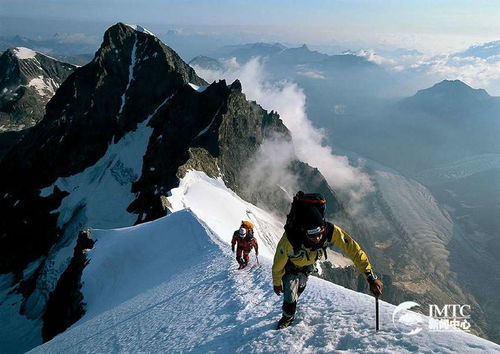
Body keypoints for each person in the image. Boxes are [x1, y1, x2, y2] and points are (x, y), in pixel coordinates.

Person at [272, 204, 384, 329]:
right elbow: (278, 265)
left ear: (323, 227)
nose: (317, 238)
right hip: (291, 267)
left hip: (308, 265)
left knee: (298, 289)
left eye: (319, 233)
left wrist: (370, 277)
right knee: (290, 296)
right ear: (304, 232)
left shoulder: (330, 231)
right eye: (312, 235)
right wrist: (277, 283)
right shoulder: (289, 240)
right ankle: (287, 317)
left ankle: (294, 299)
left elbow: (355, 251)